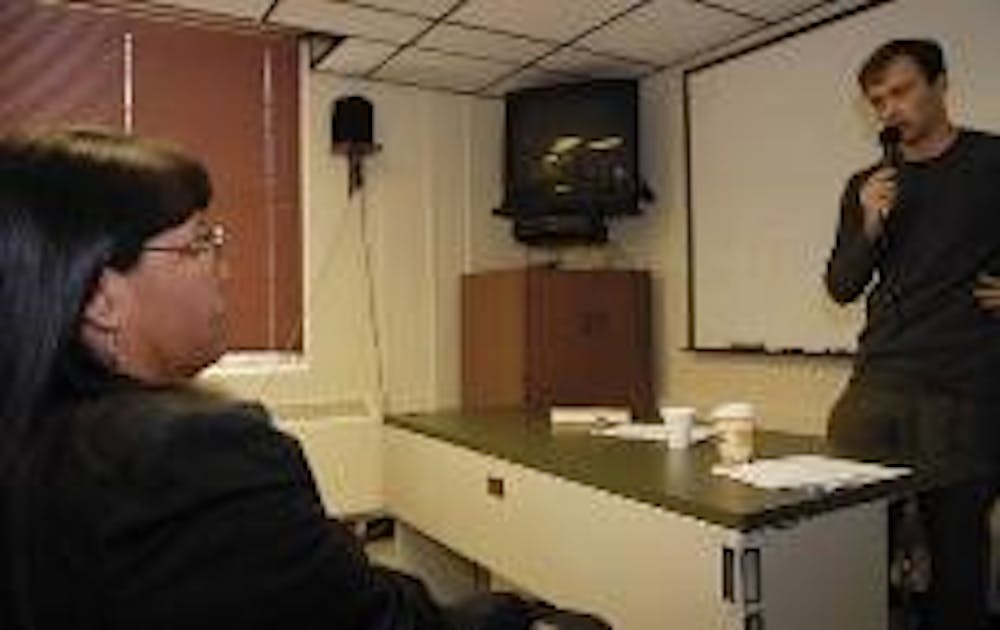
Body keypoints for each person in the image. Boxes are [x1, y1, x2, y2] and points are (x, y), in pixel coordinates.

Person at [0, 128, 609, 630]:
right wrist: (522, 615)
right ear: (103, 299)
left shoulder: (37, 429)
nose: (226, 267)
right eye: (199, 243)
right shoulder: (189, 450)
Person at [824, 39, 1000, 629]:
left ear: (940, 84)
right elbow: (842, 286)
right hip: (876, 392)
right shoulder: (868, 184)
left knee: (959, 566)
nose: (889, 110)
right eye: (877, 102)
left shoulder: (992, 162)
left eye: (900, 92)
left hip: (965, 395)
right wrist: (870, 221)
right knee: (849, 561)